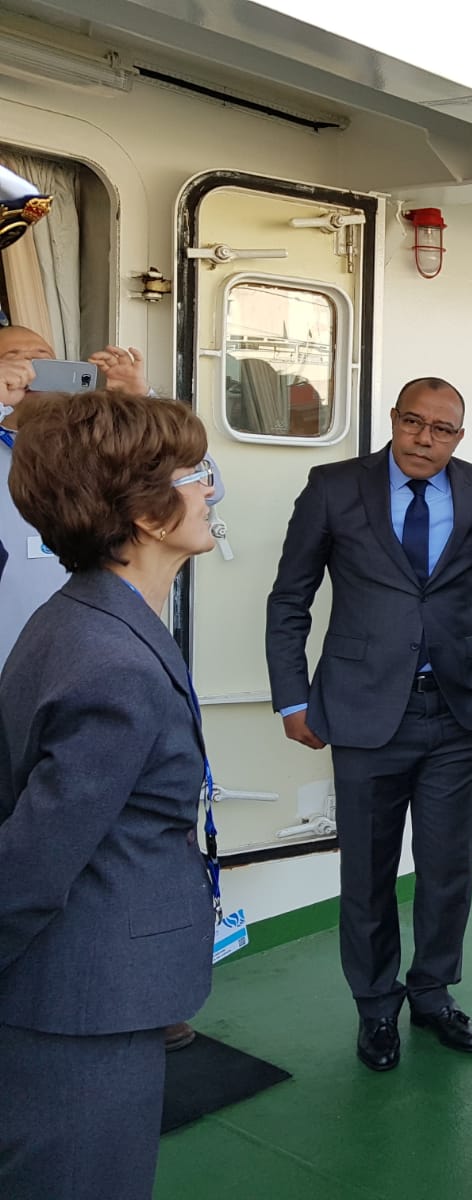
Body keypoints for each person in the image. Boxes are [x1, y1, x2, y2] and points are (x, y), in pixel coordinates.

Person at [0, 390, 217, 1199]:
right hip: (82, 1001)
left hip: (82, 988)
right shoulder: (112, 662)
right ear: (148, 516)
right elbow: (30, 862)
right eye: (192, 475)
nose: (208, 488)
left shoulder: (80, 619)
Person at [265, 377, 472, 1072]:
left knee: (447, 868)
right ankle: (375, 1006)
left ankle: (432, 993)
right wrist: (292, 698)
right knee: (368, 871)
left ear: (460, 436)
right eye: (413, 422)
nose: (424, 439)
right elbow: (290, 597)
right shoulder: (334, 487)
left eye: (442, 429)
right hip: (364, 710)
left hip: (459, 712)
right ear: (394, 419)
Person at [0, 324, 152, 669]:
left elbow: (206, 487)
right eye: (15, 359)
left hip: (83, 657)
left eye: (43, 360)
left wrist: (139, 407)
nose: (32, 370)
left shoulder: (92, 447)